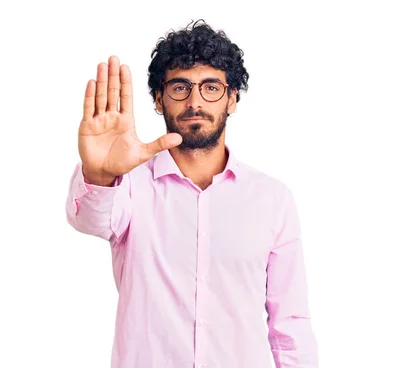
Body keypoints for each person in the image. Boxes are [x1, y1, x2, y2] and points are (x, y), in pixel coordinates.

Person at [65, 19, 318, 368]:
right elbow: (90, 218)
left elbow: (289, 325)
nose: (195, 102)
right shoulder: (130, 185)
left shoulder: (272, 200)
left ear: (232, 99)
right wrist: (100, 172)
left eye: (211, 87)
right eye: (180, 87)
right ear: (158, 98)